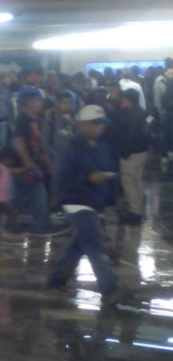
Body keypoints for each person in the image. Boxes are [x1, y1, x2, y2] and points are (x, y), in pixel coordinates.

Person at [47, 105, 118, 305]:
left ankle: (56, 280)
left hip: (94, 201)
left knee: (79, 245)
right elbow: (62, 177)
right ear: (83, 124)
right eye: (95, 123)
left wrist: (110, 200)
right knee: (95, 245)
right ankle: (109, 289)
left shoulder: (102, 146)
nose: (99, 127)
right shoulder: (70, 147)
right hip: (75, 201)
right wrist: (88, 179)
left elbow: (110, 172)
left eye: (102, 123)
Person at [12, 87, 66, 237]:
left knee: (22, 195)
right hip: (28, 164)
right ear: (28, 102)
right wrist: (27, 162)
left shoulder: (36, 119)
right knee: (38, 193)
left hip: (35, 163)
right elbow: (19, 141)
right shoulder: (23, 119)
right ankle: (41, 225)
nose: (40, 103)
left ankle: (14, 223)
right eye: (37, 100)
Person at [108, 88, 149, 225]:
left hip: (131, 153)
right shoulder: (142, 111)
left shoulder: (129, 114)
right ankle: (138, 207)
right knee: (137, 180)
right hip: (142, 152)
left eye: (125, 100)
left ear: (128, 101)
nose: (123, 102)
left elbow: (127, 136)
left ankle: (135, 211)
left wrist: (124, 152)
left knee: (128, 182)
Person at [0, 149, 25, 243]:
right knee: (10, 213)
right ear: (5, 159)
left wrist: (26, 168)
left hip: (1, 197)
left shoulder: (5, 168)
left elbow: (15, 171)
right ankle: (16, 230)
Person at [153, 59, 173, 163]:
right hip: (166, 114)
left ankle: (165, 160)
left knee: (165, 138)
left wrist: (162, 114)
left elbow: (157, 102)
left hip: (165, 114)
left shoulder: (159, 80)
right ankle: (165, 158)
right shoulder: (160, 81)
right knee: (166, 138)